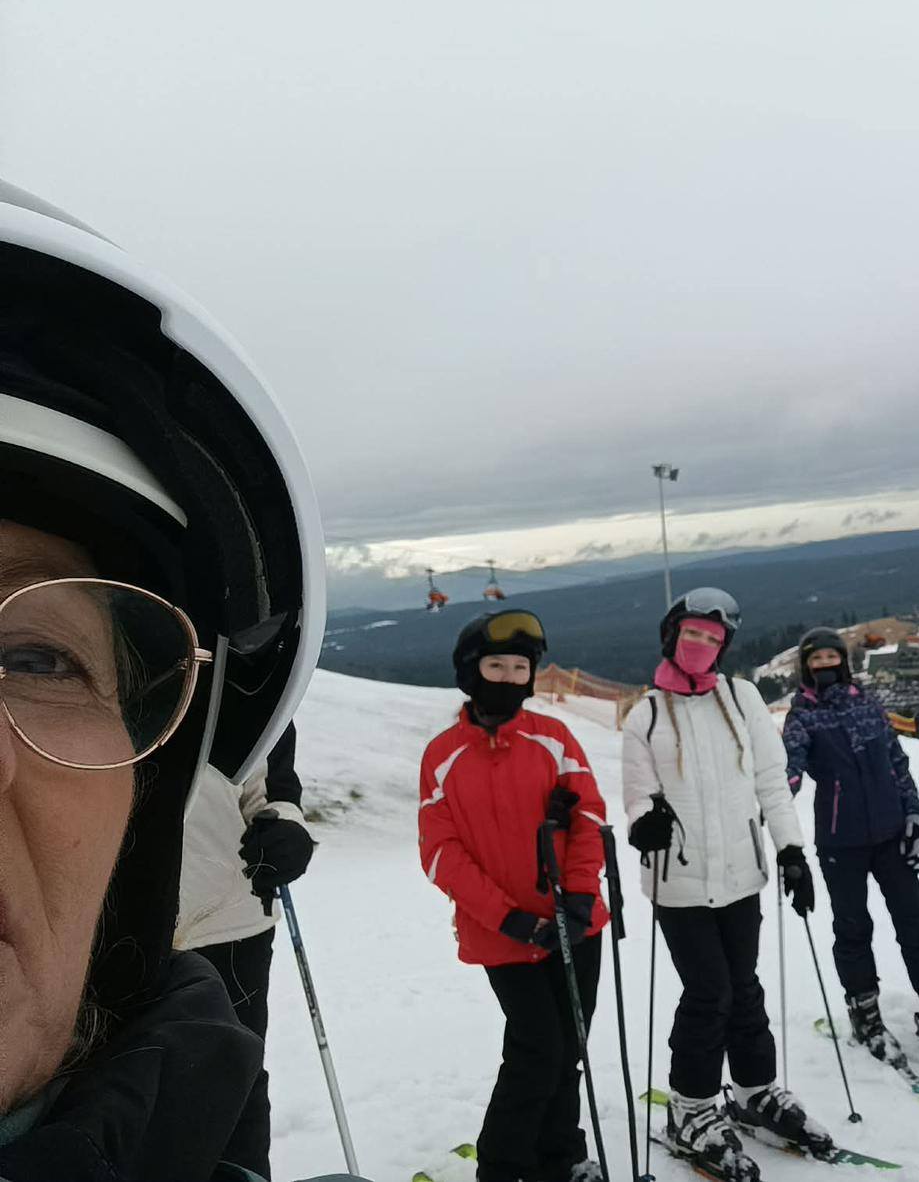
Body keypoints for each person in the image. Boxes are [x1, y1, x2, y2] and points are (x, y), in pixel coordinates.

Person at [0, 182, 355, 1180]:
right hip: (177, 919)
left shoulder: (197, 750)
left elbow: (260, 777)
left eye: (35, 658)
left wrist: (282, 825)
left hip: (213, 913)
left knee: (231, 1083)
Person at [621, 588, 829, 1181]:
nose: (700, 645)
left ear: (724, 647)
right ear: (671, 636)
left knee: (743, 987)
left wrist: (791, 849)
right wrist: (645, 824)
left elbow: (770, 780)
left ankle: (754, 1091)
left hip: (741, 874)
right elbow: (637, 796)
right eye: (691, 634)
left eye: (712, 639)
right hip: (679, 883)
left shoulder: (742, 698)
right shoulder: (647, 715)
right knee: (708, 992)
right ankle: (690, 1108)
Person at [418, 609, 610, 1182]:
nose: (507, 678)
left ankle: (560, 1158)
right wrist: (508, 919)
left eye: (519, 668)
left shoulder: (553, 739)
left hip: (574, 925)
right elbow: (441, 852)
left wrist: (580, 898)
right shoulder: (444, 755)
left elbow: (589, 817)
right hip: (503, 935)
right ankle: (503, 1168)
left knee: (568, 1048)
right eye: (496, 666)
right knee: (537, 1049)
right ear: (470, 671)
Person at [781, 628, 919, 1066]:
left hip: (891, 832)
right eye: (816, 659)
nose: (825, 665)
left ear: (843, 661)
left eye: (831, 657)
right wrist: (773, 803)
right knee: (853, 927)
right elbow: (790, 770)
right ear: (805, 666)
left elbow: (896, 762)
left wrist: (914, 816)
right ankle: (866, 1014)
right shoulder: (802, 716)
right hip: (841, 838)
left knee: (917, 923)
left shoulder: (868, 704)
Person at [176, 724, 316, 1179]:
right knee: (116, 1086)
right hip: (105, 919)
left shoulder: (253, 686)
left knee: (234, 1080)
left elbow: (275, 790)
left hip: (230, 924)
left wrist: (287, 831)